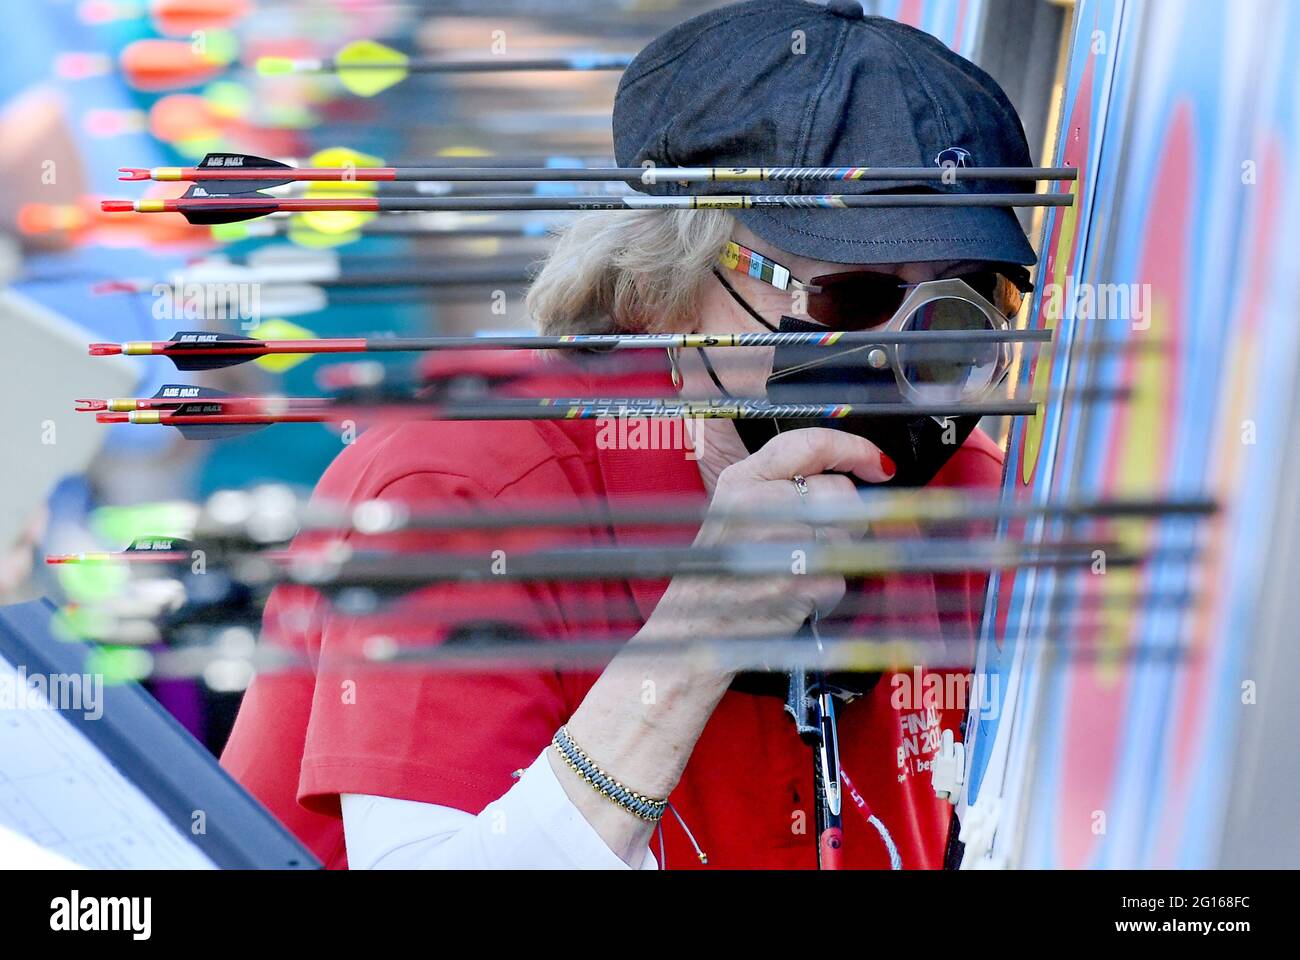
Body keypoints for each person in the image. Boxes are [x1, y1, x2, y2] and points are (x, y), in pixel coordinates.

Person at [221, 0, 1038, 869]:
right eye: (849, 300)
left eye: (955, 315)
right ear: (665, 291)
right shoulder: (460, 495)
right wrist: (699, 638)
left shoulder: (970, 507)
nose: (897, 361)